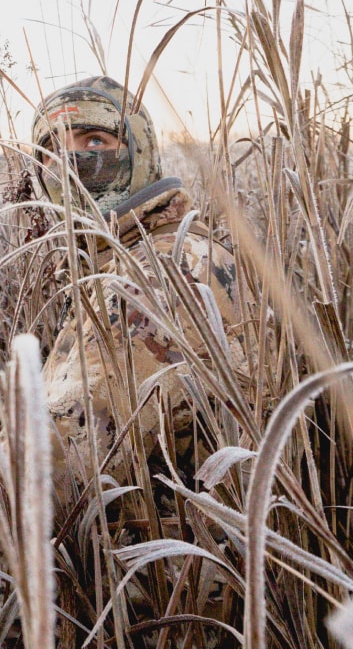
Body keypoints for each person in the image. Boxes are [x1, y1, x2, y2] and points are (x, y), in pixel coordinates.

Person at [23, 76, 243, 514]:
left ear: (140, 151)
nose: (72, 161)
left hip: (171, 570)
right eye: (52, 150)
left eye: (95, 140)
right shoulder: (115, 259)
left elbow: (62, 470)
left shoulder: (162, 270)